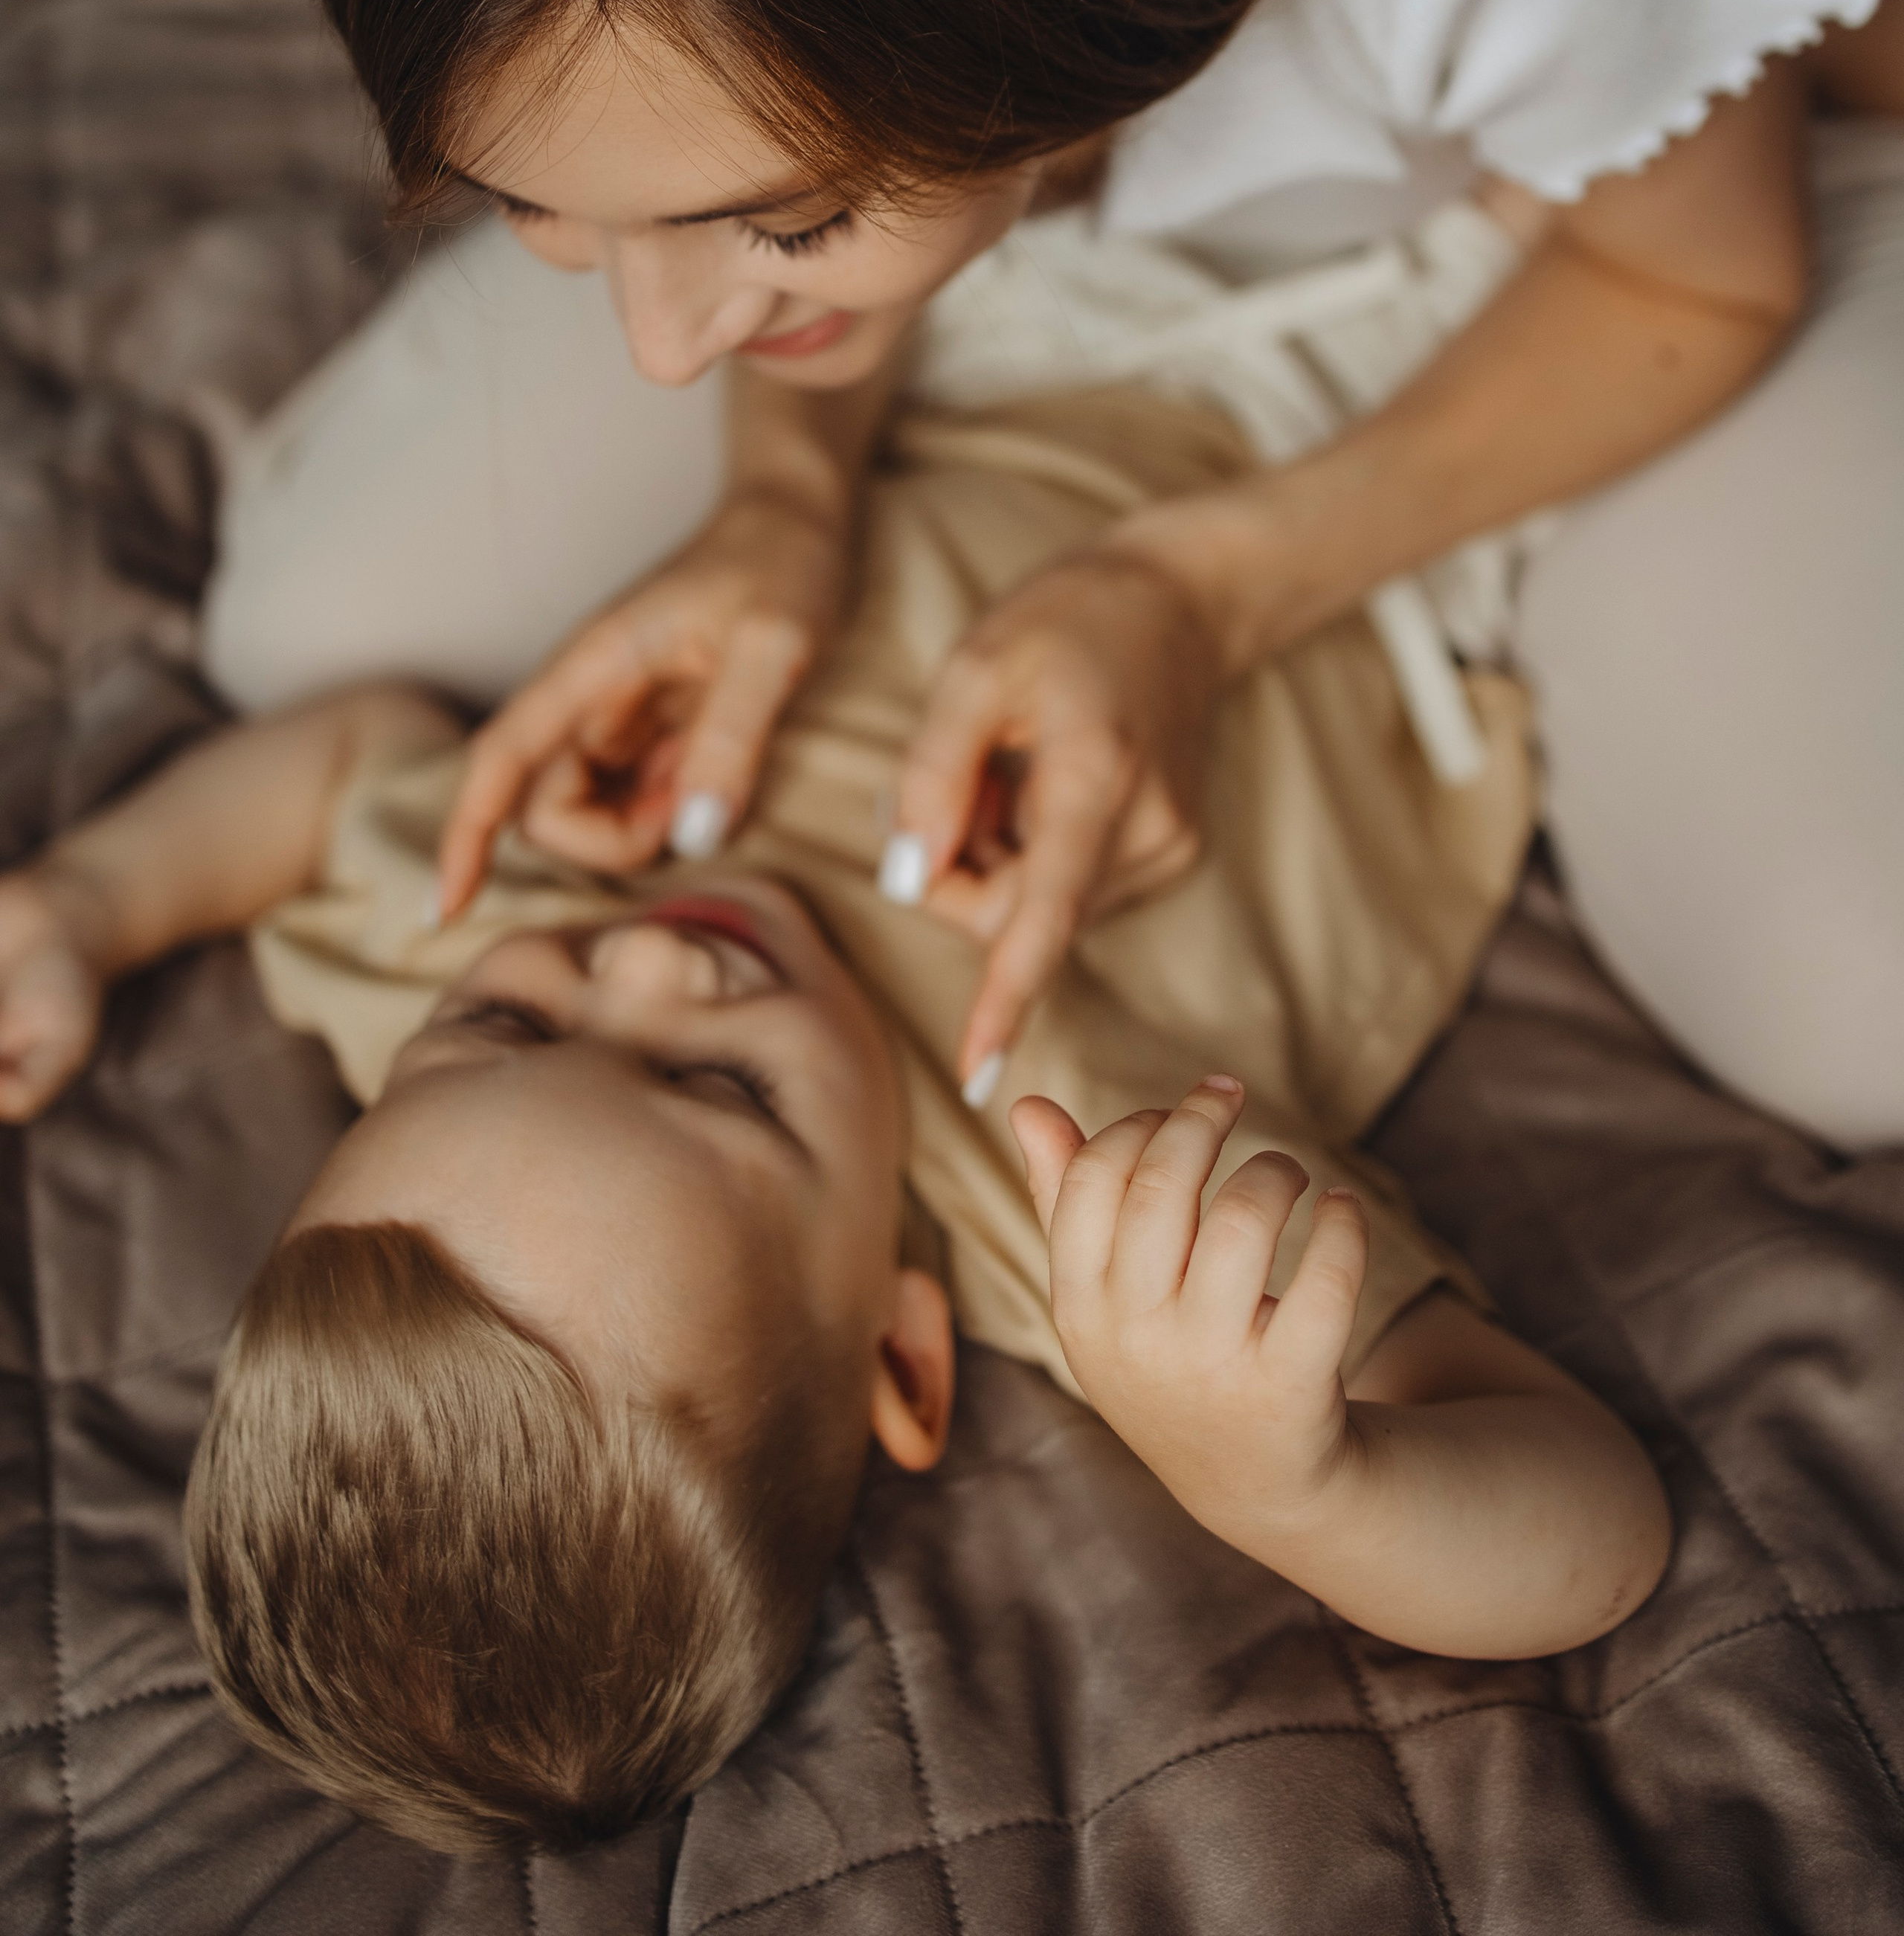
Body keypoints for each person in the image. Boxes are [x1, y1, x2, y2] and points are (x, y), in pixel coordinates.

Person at [202, 0, 1904, 1149]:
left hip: (1591, 219)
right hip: (1023, 160)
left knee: (1866, 996)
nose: (661, 353)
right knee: (308, 642)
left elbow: (1702, 275)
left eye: (776, 223)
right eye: (550, 208)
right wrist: (777, 503)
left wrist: (1196, 585)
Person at [0, 387, 1662, 1854]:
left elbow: (342, 772)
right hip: (1373, 482)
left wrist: (93, 902)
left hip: (1005, 363)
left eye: (496, 1017)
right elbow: (1597, 1526)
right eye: (719, 1088)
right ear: (899, 1353)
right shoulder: (1060, 1167)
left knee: (289, 633)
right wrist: (1289, 1485)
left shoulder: (463, 1029)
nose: (642, 952)